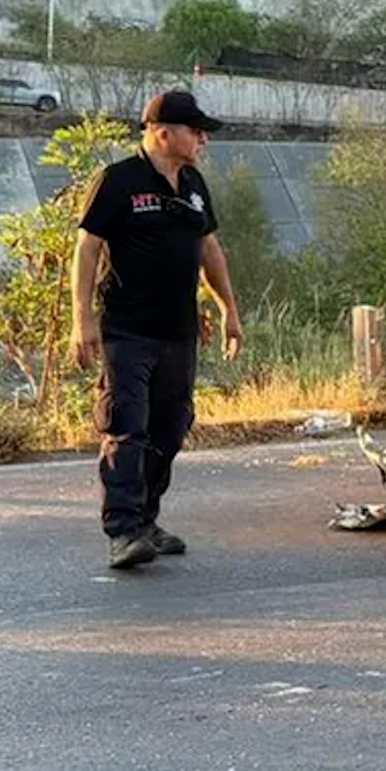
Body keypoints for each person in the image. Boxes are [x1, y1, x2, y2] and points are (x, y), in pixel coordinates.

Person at [71, 90, 243, 570]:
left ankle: (146, 520)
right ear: (162, 132)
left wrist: (228, 308)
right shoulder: (118, 180)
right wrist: (80, 318)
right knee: (128, 427)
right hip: (127, 330)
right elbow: (86, 249)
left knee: (171, 426)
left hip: (178, 331)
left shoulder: (192, 183)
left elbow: (210, 249)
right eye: (196, 130)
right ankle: (123, 531)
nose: (204, 139)